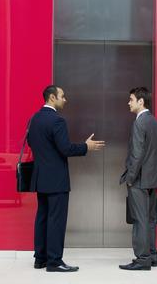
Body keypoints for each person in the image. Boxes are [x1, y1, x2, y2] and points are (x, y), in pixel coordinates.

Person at [28, 85, 105, 272]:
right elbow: (66, 149)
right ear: (52, 97)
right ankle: (54, 262)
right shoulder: (57, 121)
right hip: (56, 180)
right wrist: (86, 146)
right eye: (63, 96)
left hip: (40, 178)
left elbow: (32, 143)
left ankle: (40, 259)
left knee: (43, 217)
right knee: (56, 220)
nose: (65, 99)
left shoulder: (35, 119)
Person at [119, 87, 157, 271]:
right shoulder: (154, 122)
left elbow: (137, 154)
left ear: (141, 102)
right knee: (150, 218)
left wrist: (130, 177)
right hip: (152, 179)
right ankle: (151, 256)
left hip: (139, 179)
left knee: (140, 219)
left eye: (131, 99)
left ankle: (142, 259)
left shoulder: (139, 123)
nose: (129, 103)